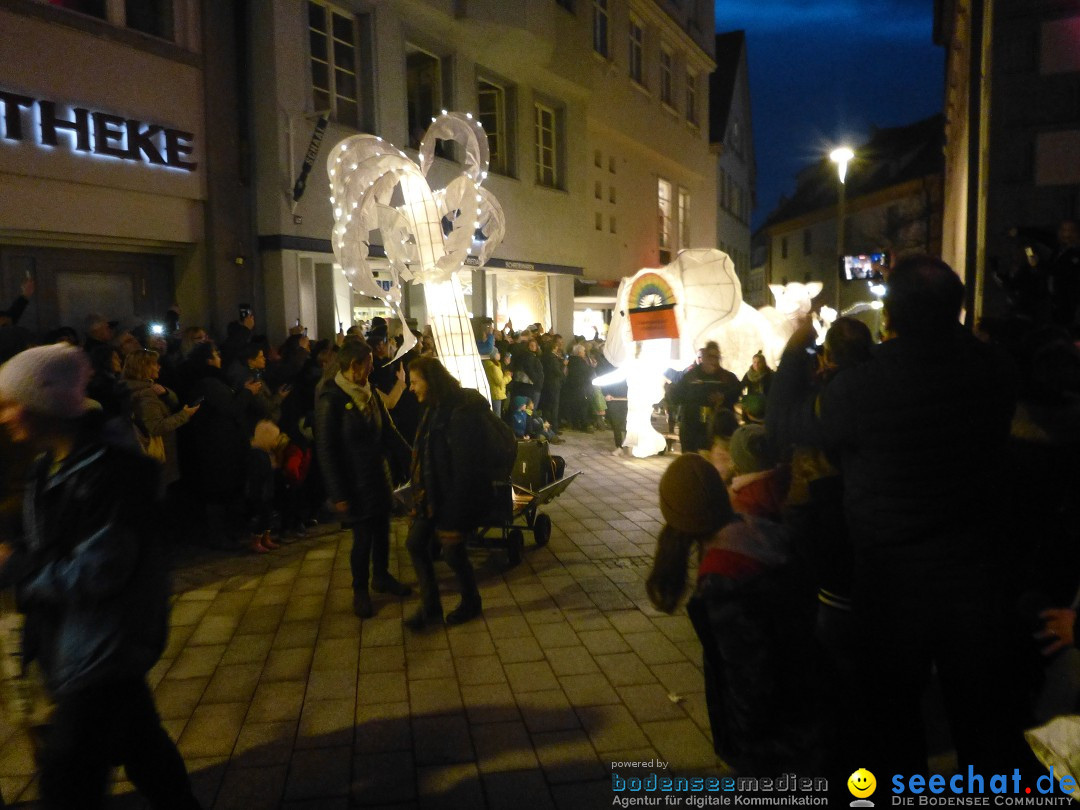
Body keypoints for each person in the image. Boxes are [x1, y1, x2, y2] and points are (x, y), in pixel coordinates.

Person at [768, 254, 1033, 776]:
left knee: (890, 719)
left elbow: (784, 425)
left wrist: (796, 349)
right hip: (976, 577)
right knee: (980, 720)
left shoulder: (864, 387)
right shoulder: (995, 370)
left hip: (892, 583)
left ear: (890, 316)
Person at [0, 344, 202, 809]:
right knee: (143, 747)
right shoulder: (43, 468)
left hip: (99, 652)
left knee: (68, 783)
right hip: (75, 647)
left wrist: (15, 566)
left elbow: (97, 571)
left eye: (15, 404)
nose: (7, 417)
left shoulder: (114, 474)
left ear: (44, 404)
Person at [646, 453, 819, 773]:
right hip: (809, 705)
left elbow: (748, 675)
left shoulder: (723, 576)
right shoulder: (762, 534)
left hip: (775, 741)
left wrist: (746, 748)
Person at [315, 340, 412, 618]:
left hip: (378, 476)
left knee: (382, 531)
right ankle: (360, 590)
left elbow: (389, 431)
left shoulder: (369, 392)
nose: (372, 368)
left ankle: (381, 577)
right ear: (353, 366)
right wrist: (338, 494)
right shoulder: (331, 399)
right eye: (368, 364)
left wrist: (411, 456)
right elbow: (326, 449)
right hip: (353, 482)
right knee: (363, 538)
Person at [403, 356, 488, 629]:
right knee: (416, 544)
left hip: (453, 499)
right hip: (432, 495)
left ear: (431, 381)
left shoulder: (459, 413)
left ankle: (471, 601)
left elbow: (467, 470)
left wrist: (453, 518)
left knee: (453, 553)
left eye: (415, 382)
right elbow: (426, 457)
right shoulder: (432, 407)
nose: (411, 388)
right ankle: (431, 608)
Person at [667, 341, 742, 454]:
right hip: (693, 430)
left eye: (716, 357)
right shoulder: (691, 376)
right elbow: (677, 396)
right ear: (704, 357)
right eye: (710, 356)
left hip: (716, 431)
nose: (713, 360)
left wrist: (724, 397)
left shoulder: (727, 377)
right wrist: (670, 391)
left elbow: (737, 391)